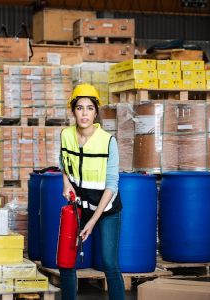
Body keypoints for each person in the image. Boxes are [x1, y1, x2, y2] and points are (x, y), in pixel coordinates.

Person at [59, 83, 124, 300]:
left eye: (89, 108)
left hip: (105, 211)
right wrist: (65, 183)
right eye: (79, 107)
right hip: (78, 207)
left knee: (109, 263)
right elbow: (63, 163)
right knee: (66, 263)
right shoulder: (66, 135)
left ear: (96, 111)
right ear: (73, 111)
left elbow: (111, 185)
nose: (84, 113)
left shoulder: (108, 142)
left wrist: (92, 222)